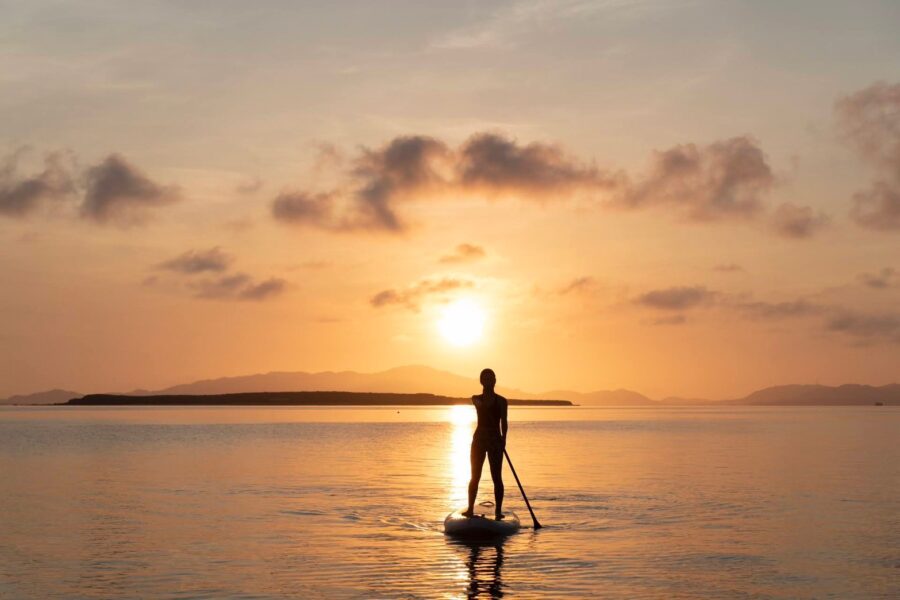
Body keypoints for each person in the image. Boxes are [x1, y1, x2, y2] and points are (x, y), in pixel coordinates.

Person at [462, 368, 509, 520]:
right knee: (475, 476)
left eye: (491, 378)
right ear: (481, 381)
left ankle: (498, 511)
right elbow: (474, 400)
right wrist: (480, 403)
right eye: (486, 379)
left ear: (495, 381)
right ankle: (470, 509)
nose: (489, 381)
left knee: (497, 477)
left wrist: (503, 440)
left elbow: (504, 422)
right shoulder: (476, 398)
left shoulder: (502, 401)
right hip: (480, 440)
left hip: (495, 440)